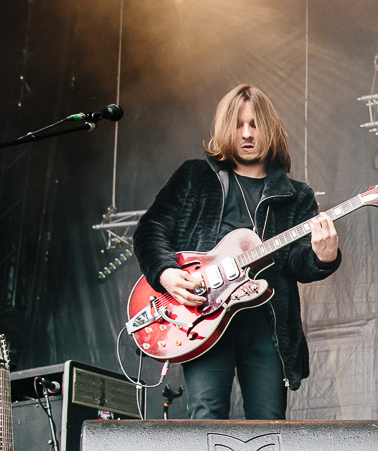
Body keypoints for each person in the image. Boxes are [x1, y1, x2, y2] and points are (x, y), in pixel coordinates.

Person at [133, 84, 341, 420]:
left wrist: (324, 256)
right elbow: (150, 230)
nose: (246, 134)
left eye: (255, 125)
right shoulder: (194, 177)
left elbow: (297, 263)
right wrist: (166, 273)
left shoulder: (296, 196)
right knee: (207, 416)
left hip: (266, 325)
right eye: (238, 124)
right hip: (203, 316)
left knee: (269, 422)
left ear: (269, 129)